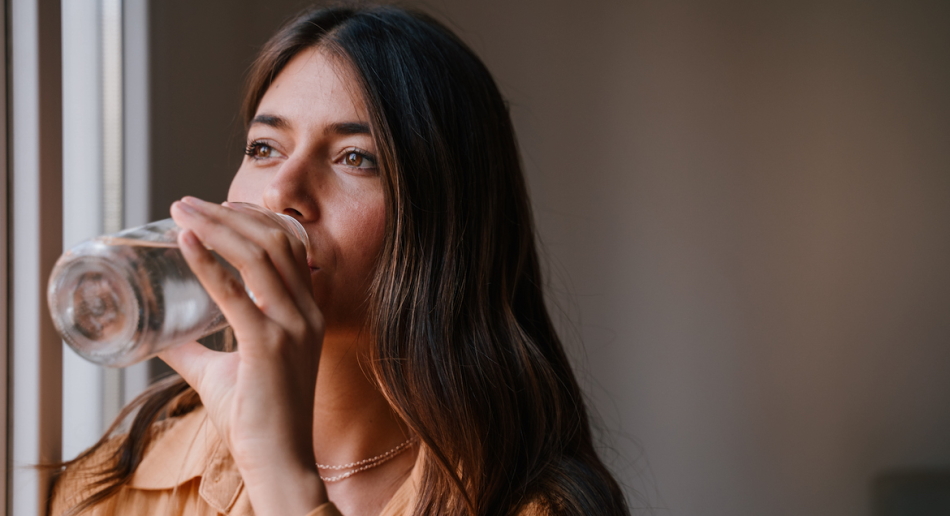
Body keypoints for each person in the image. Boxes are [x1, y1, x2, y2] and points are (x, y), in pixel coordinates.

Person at [49, 4, 630, 516]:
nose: (281, 192)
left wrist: (279, 472)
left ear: (448, 217)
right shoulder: (115, 487)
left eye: (355, 158)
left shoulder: (537, 506)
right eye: (264, 148)